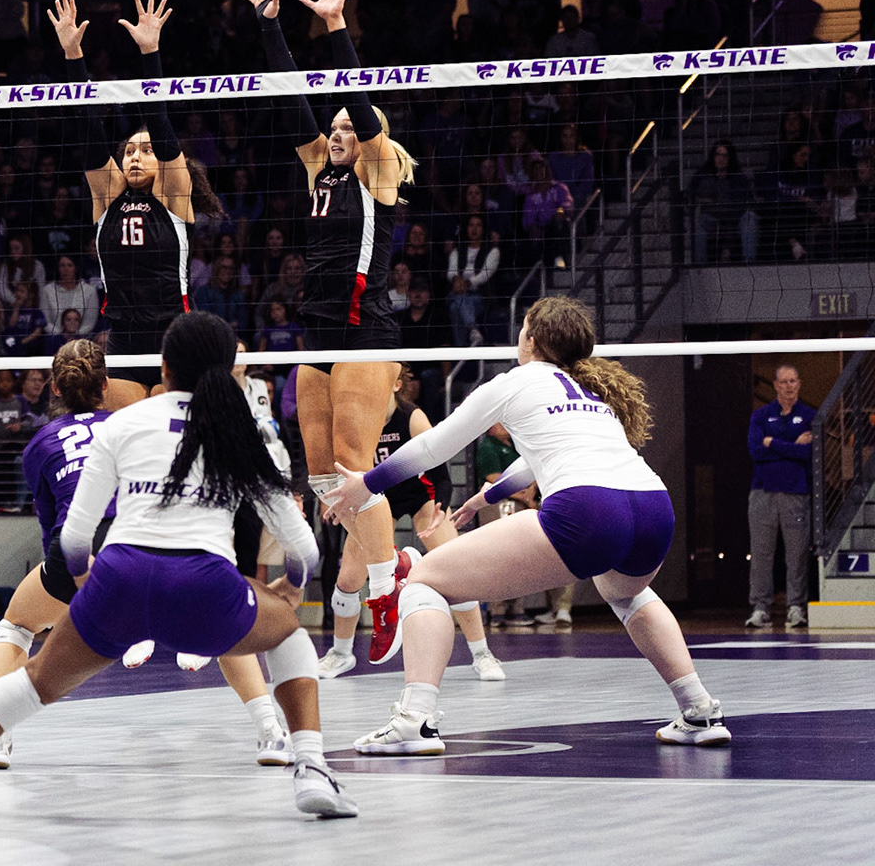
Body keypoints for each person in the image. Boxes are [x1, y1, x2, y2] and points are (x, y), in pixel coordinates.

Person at [0, 313, 354, 821]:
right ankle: (309, 767)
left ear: (163, 368)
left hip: (120, 576)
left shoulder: (123, 422)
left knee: (35, 680)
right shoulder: (237, 432)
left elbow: (76, 538)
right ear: (227, 368)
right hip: (204, 586)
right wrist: (291, 588)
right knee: (287, 635)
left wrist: (89, 587)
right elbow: (305, 551)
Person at [333, 295, 733, 754]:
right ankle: (700, 709)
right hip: (652, 509)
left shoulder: (515, 381)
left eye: (522, 329)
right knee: (627, 593)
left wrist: (369, 484)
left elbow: (433, 447)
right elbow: (533, 464)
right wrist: (489, 496)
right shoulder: (588, 390)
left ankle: (415, 723)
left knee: (424, 581)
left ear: (532, 339)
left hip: (589, 509)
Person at [251, 0, 417, 666]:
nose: (340, 130)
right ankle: (387, 571)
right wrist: (269, 26)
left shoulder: (380, 174)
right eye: (336, 126)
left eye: (351, 125)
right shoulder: (321, 168)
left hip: (364, 329)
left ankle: (387, 588)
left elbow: (364, 109)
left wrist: (334, 24)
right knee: (322, 479)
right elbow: (295, 99)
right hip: (314, 330)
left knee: (355, 466)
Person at [46, 0, 218, 399]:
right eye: (128, 151)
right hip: (123, 336)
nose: (136, 157)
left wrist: (150, 51)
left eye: (145, 151)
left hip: (172, 335)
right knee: (129, 449)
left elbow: (160, 124)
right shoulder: (107, 199)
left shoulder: (175, 196)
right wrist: (74, 55)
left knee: (169, 448)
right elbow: (90, 130)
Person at [0, 340, 111, 769]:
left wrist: (64, 585)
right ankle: (270, 734)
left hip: (73, 548)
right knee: (221, 614)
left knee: (14, 627)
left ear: (54, 388)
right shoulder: (129, 426)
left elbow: (49, 520)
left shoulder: (40, 444)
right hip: (134, 542)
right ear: (106, 385)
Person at [317, 378, 506, 683]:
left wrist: (440, 509)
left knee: (455, 565)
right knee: (349, 576)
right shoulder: (356, 419)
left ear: (395, 384)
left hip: (421, 496)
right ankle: (341, 653)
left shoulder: (412, 418)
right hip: (376, 500)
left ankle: (482, 653)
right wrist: (338, 502)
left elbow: (442, 476)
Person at [745, 364, 815, 629]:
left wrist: (771, 443)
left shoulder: (809, 416)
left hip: (795, 492)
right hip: (762, 491)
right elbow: (755, 451)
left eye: (793, 381)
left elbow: (807, 453)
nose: (788, 386)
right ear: (774, 385)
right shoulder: (761, 415)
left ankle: (795, 606)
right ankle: (760, 607)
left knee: (796, 553)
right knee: (762, 552)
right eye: (783, 382)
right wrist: (790, 446)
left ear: (799, 384)